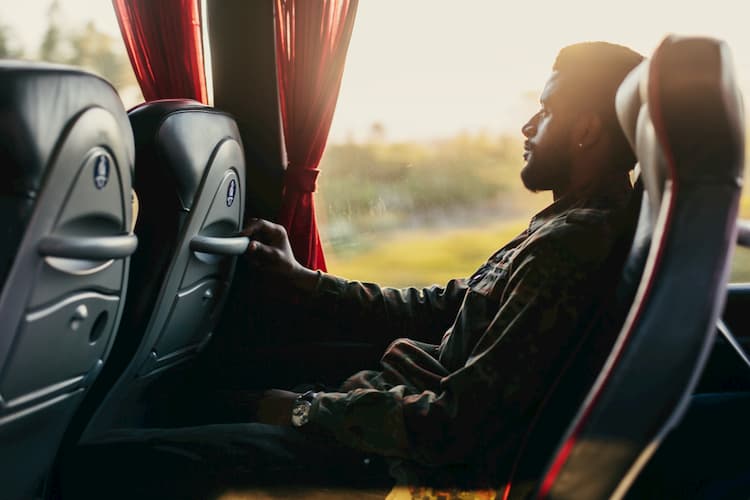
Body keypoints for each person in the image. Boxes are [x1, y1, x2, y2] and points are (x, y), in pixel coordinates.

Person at [60, 41, 645, 498]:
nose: (527, 126)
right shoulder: (567, 224)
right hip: (376, 416)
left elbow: (454, 428)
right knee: (198, 391)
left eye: (545, 111)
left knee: (99, 468)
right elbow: (443, 308)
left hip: (386, 464)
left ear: (589, 130)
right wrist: (304, 282)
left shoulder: (570, 248)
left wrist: (298, 409)